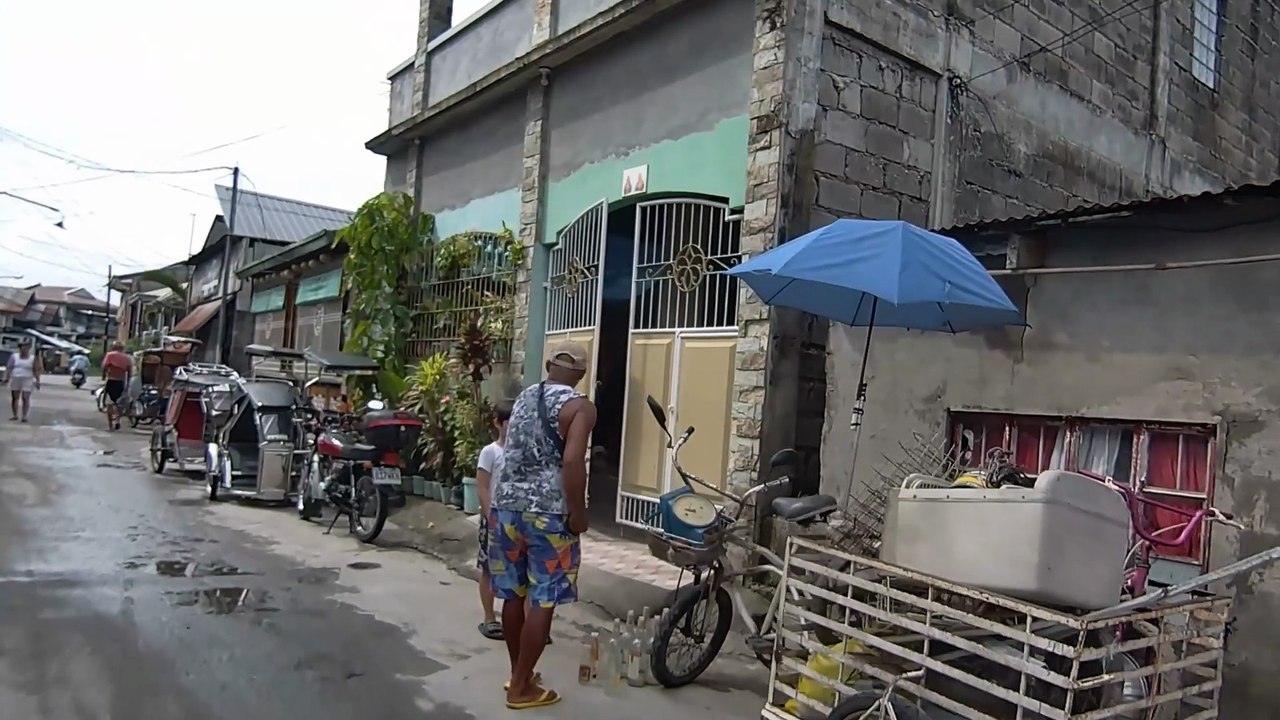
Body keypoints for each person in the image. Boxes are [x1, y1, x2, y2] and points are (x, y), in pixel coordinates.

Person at [489, 342, 597, 710]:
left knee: (513, 594)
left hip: (506, 508)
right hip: (548, 515)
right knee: (545, 598)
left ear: (549, 364)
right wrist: (578, 512)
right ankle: (521, 688)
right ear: (582, 374)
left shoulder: (523, 398)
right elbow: (571, 463)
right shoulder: (580, 407)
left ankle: (519, 673)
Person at [476, 405, 512, 641]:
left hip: (515, 518)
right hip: (494, 518)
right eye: (509, 421)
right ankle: (490, 618)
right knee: (489, 569)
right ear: (498, 423)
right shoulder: (490, 452)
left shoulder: (520, 452)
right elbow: (482, 486)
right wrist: (491, 517)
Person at [5, 340, 41, 422]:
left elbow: (36, 369)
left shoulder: (32, 358)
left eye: (27, 347)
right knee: (15, 397)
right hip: (15, 378)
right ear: (20, 348)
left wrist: (38, 381)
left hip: (27, 379)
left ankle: (24, 416)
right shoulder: (14, 356)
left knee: (25, 397)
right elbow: (9, 367)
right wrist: (7, 377)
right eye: (23, 347)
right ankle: (15, 415)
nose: (25, 349)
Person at [101, 342, 133, 431]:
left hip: (111, 380)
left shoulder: (110, 355)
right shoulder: (127, 358)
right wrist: (128, 383)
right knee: (119, 404)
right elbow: (129, 371)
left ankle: (110, 425)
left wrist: (103, 376)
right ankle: (117, 420)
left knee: (109, 404)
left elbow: (104, 366)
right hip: (120, 382)